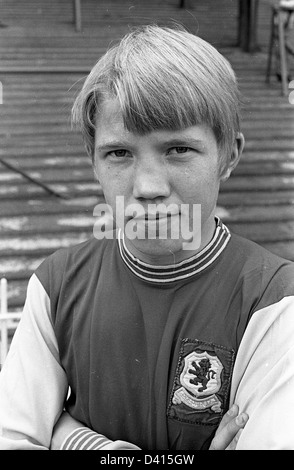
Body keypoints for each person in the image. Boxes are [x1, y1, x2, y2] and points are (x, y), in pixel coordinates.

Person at [0, 24, 294, 451]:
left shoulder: (273, 301)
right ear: (94, 162)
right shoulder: (56, 286)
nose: (149, 186)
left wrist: (62, 434)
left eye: (178, 149)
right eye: (119, 153)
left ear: (228, 155)